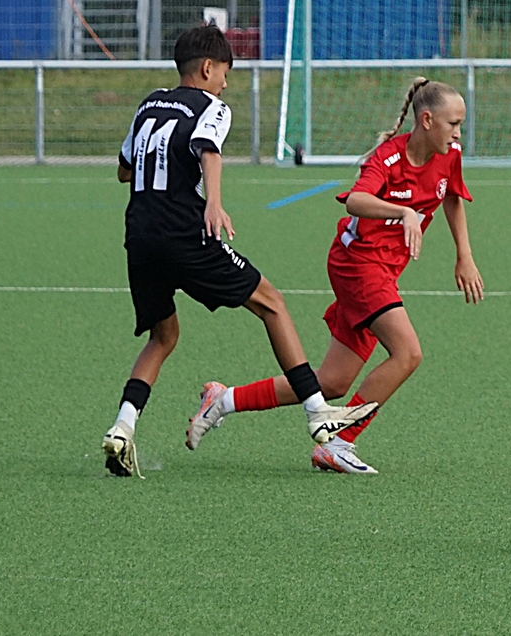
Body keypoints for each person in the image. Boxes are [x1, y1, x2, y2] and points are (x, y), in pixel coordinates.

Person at [102, 25, 377, 478]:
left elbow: (123, 171)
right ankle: (317, 413)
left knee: (162, 337)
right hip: (185, 232)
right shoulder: (212, 107)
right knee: (272, 303)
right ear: (208, 68)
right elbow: (208, 150)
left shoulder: (149, 103)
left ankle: (122, 427)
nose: (226, 84)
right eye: (225, 73)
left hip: (139, 236)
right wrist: (213, 202)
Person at [186, 78, 484, 475]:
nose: (459, 132)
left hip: (383, 271)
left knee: (332, 382)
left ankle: (223, 400)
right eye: (453, 123)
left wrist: (464, 255)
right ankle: (340, 443)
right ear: (427, 120)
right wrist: (403, 212)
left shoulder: (450, 154)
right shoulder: (387, 159)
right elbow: (356, 200)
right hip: (357, 265)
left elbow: (452, 197)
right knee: (408, 353)